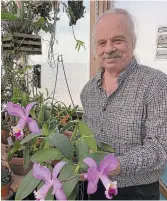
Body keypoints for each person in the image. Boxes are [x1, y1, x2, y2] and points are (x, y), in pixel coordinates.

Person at [78, 8, 167, 200]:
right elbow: (89, 134)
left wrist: (118, 165)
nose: (108, 49)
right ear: (95, 48)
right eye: (102, 42)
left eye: (117, 40)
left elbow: (159, 148)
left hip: (137, 190)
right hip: (95, 184)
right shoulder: (88, 91)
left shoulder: (156, 84)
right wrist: (75, 139)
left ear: (133, 42)